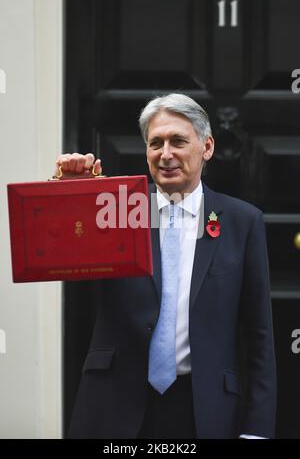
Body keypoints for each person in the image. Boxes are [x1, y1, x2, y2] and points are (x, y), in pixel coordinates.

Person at [58, 93, 277, 439]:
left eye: (178, 141)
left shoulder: (242, 222)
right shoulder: (115, 209)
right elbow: (59, 255)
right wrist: (71, 196)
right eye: (155, 143)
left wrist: (257, 430)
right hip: (115, 407)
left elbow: (260, 336)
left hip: (204, 409)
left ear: (207, 147)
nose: (166, 154)